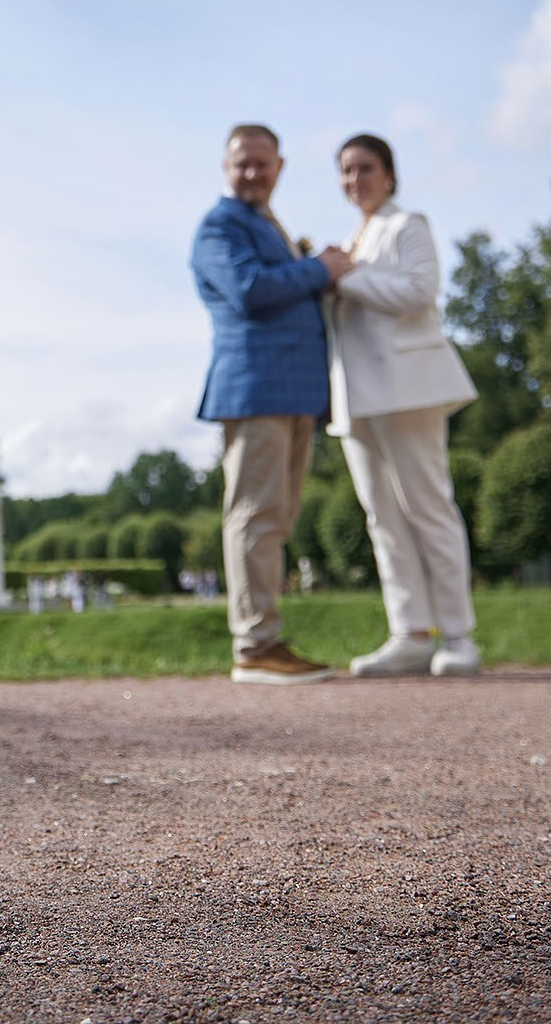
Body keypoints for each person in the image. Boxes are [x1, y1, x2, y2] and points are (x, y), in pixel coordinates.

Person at [192, 123, 355, 684]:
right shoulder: (219, 226)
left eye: (263, 163)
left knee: (276, 518)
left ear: (280, 166)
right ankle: (256, 644)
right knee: (255, 516)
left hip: (293, 391)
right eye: (243, 163)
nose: (253, 173)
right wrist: (319, 269)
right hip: (255, 387)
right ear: (226, 166)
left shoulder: (265, 225)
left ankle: (266, 638)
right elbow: (250, 290)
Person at [325, 133, 481, 677]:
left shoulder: (406, 224)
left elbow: (419, 292)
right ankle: (410, 631)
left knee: (428, 508)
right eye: (345, 171)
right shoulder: (352, 238)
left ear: (388, 174)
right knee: (382, 518)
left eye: (364, 168)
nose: (355, 179)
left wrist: (348, 277)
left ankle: (458, 634)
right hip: (358, 397)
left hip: (409, 389)